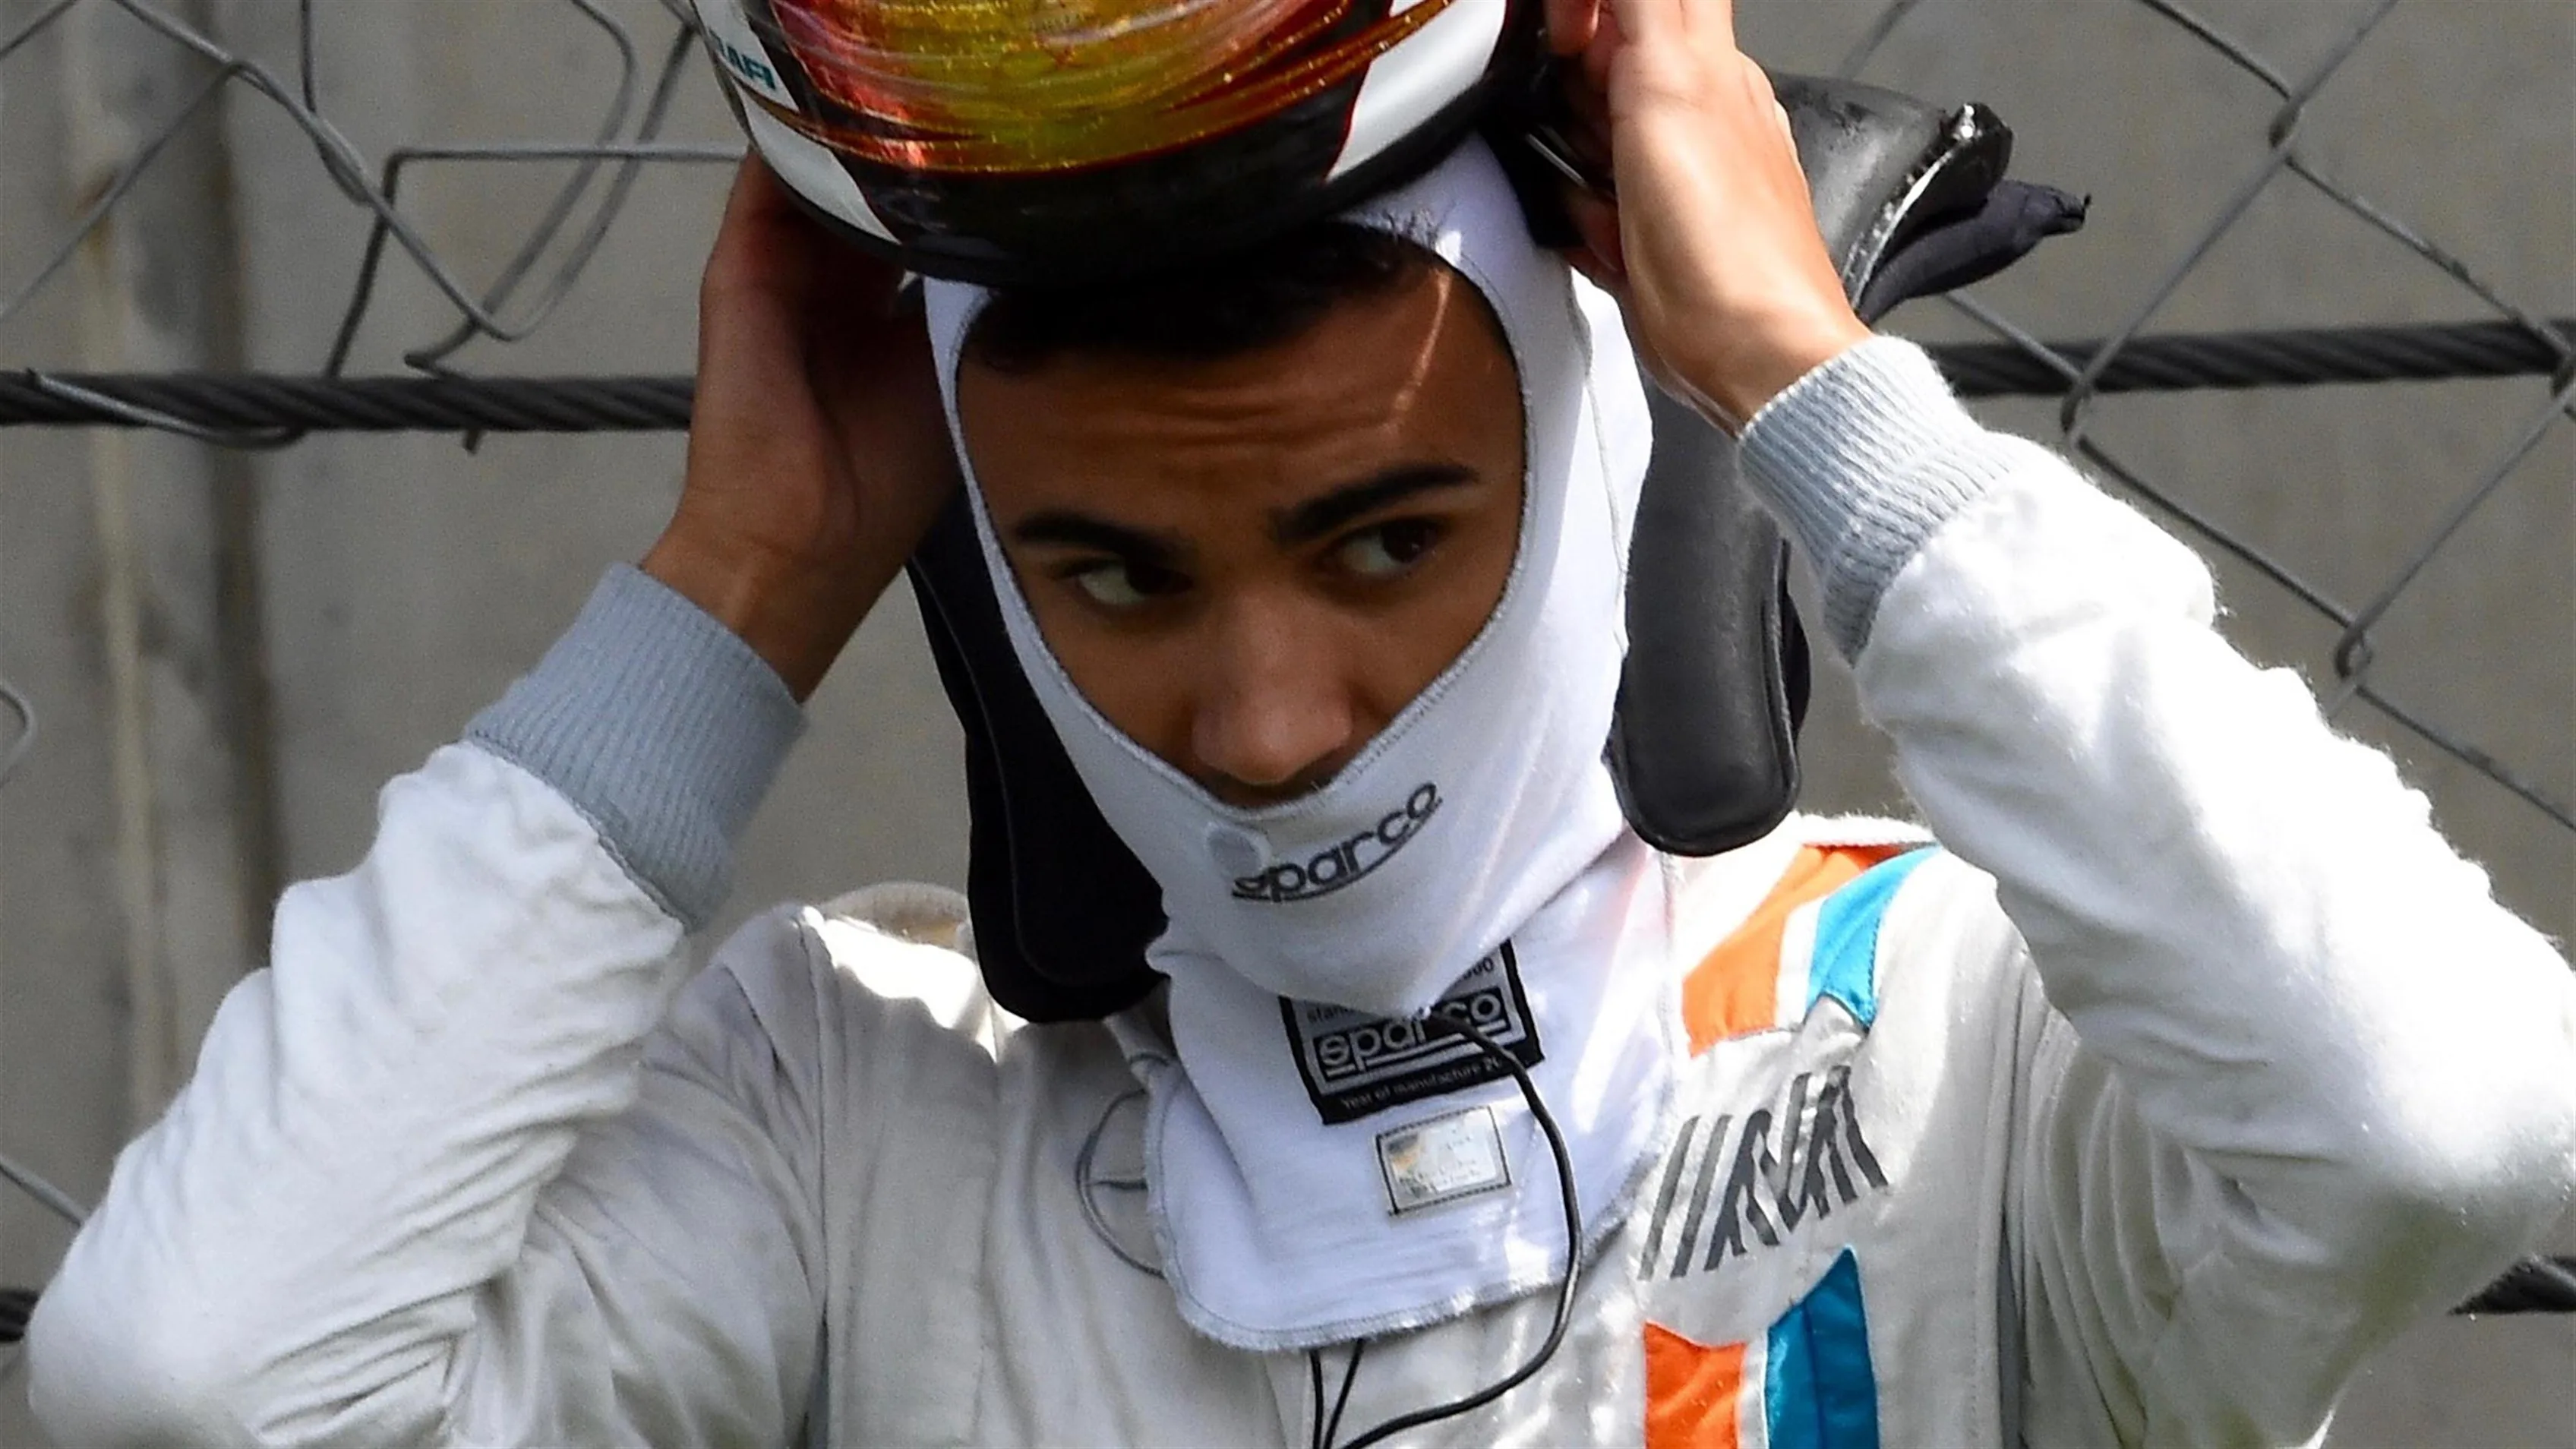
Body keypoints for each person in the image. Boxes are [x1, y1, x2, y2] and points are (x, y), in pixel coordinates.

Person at [27, 0, 2574, 1443]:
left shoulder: (1965, 1058)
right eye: (1104, 573)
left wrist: (1816, 382)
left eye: (1385, 540)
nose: (1259, 717)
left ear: (1612, 448)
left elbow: (2442, 1119)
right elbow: (179, 1396)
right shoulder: (852, 1119)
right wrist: (731, 592)